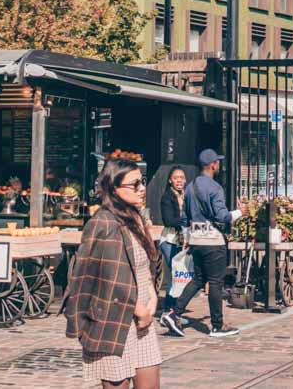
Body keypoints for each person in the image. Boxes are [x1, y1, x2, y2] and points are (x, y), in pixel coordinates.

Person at [66, 159, 161, 389]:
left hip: (143, 320)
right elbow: (97, 277)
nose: (142, 188)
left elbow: (144, 264)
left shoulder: (137, 218)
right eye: (134, 184)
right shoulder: (102, 222)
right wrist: (137, 308)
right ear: (114, 189)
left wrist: (152, 295)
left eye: (142, 182)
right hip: (113, 319)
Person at [160, 149, 247, 338]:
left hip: (196, 241)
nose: (219, 165)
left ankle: (174, 313)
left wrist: (188, 238)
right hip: (213, 241)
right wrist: (241, 212)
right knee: (216, 282)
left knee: (198, 280)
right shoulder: (215, 188)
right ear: (213, 165)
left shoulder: (190, 187)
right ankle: (217, 325)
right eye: (218, 162)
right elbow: (222, 216)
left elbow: (184, 217)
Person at [158, 167, 187, 315]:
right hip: (169, 240)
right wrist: (186, 221)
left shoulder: (187, 196)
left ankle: (172, 311)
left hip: (183, 241)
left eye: (181, 177)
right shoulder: (167, 197)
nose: (179, 180)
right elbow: (168, 220)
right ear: (170, 180)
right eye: (176, 178)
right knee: (175, 276)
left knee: (179, 276)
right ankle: (168, 311)